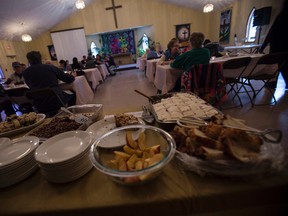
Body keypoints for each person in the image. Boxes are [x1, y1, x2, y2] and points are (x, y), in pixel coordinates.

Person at [23, 51, 76, 115]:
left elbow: (30, 86)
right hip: (56, 101)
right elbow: (68, 79)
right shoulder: (50, 68)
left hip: (39, 104)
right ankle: (71, 115)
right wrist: (73, 76)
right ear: (40, 59)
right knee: (73, 94)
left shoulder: (25, 73)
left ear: (29, 61)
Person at [259, 0, 288, 89]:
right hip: (286, 48)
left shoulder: (281, 17)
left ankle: (272, 83)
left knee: (274, 67)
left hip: (277, 47)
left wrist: (262, 47)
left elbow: (271, 33)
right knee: (285, 67)